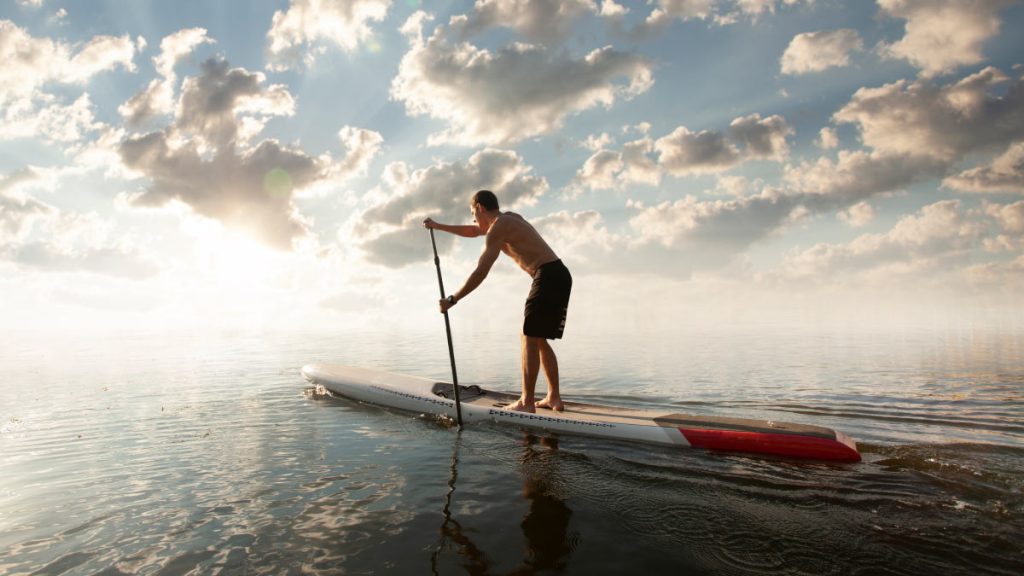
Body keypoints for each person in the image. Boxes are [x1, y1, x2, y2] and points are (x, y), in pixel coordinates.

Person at [423, 190, 572, 413]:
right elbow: (475, 231)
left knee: (529, 336)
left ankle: (526, 402)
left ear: (480, 208)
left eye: (474, 213)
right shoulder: (511, 218)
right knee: (538, 337)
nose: (474, 219)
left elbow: (480, 272)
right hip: (560, 275)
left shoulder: (499, 227)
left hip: (547, 276)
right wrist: (439, 226)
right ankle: (553, 397)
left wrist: (453, 299)